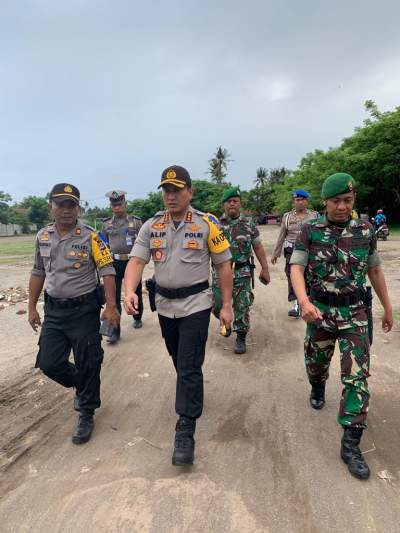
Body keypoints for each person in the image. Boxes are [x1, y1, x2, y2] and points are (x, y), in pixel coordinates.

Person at [123, 165, 233, 466]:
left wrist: (226, 306)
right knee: (179, 359)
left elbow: (224, 265)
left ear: (189, 191)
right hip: (165, 307)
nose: (170, 196)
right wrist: (129, 290)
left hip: (196, 304)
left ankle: (185, 429)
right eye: (166, 190)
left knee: (186, 365)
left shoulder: (207, 224)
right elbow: (135, 261)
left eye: (176, 189)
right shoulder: (152, 226)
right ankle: (191, 389)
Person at [290, 173, 393, 480]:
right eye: (336, 201)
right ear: (325, 202)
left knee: (357, 377)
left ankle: (351, 443)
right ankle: (318, 384)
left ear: (354, 201)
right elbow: (296, 267)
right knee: (315, 363)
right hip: (320, 311)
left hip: (355, 313)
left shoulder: (365, 229)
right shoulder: (310, 229)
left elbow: (374, 269)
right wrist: (304, 302)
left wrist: (387, 307)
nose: (342, 206)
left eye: (347, 201)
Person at [28, 183, 120, 445]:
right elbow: (38, 272)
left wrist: (111, 306)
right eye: (61, 204)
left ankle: (86, 412)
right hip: (55, 311)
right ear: (51, 207)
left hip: (84, 310)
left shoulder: (92, 236)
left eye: (72, 205)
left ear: (79, 208)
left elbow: (107, 271)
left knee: (88, 359)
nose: (66, 210)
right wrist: (32, 306)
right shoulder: (42, 236)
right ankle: (83, 384)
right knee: (49, 362)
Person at [212, 186, 270, 354]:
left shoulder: (249, 223)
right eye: (228, 201)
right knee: (216, 304)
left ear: (240, 204)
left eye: (235, 201)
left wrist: (264, 268)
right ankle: (225, 320)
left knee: (242, 306)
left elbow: (258, 246)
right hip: (219, 274)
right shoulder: (216, 225)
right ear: (223, 205)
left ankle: (240, 337)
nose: (232, 204)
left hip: (242, 272)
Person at [102, 190, 143, 343]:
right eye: (114, 205)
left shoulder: (136, 222)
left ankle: (137, 316)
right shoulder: (106, 224)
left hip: (132, 261)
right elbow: (103, 244)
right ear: (111, 206)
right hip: (114, 263)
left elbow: (142, 242)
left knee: (135, 290)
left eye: (120, 204)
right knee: (113, 296)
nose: (117, 207)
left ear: (125, 204)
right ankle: (114, 332)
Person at [271, 189, 318, 317]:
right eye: (297, 200)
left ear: (306, 201)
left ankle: (308, 301)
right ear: (294, 202)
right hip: (291, 250)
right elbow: (282, 235)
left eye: (302, 200)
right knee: (292, 276)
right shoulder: (287, 217)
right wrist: (276, 253)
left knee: (310, 275)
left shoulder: (315, 216)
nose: (300, 202)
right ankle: (295, 304)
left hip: (310, 250)